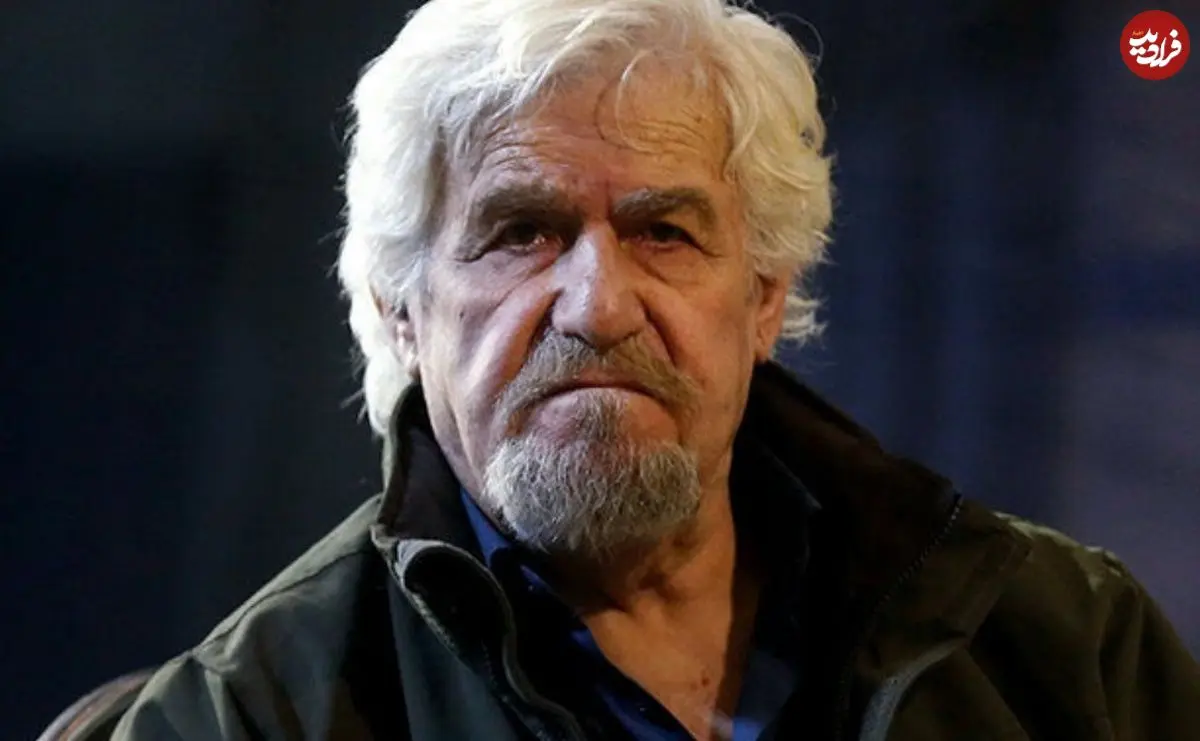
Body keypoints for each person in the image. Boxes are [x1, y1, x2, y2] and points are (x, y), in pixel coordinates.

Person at [112, 0, 1200, 738]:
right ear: (403, 312)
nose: (598, 306)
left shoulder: (1070, 646)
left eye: (664, 232)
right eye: (522, 232)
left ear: (763, 297)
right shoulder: (242, 718)